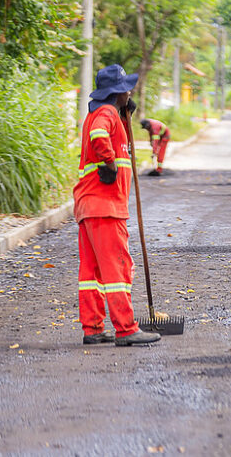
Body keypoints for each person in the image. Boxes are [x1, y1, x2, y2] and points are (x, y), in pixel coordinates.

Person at [73, 64, 161, 346]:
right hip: (105, 206)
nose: (130, 91)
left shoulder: (106, 113)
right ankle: (126, 329)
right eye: (127, 88)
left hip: (90, 206)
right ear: (116, 91)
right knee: (118, 269)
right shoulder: (106, 113)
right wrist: (109, 163)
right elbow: (99, 137)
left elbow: (104, 133)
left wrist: (126, 118)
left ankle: (93, 328)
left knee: (92, 273)